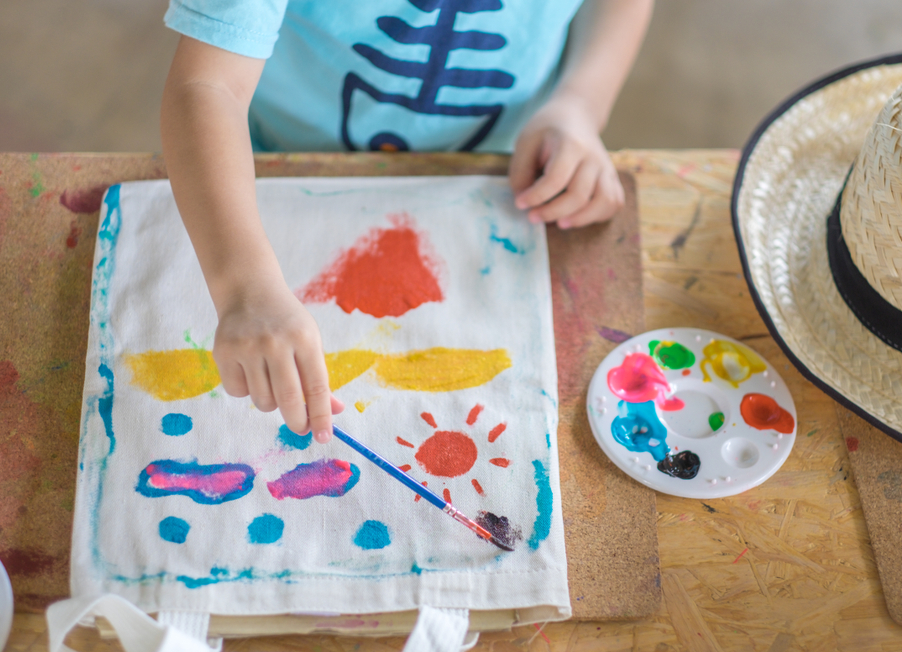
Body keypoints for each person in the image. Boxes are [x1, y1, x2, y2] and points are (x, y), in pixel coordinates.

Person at [159, 0, 653, 445]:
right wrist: (245, 288)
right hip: (278, 171)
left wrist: (579, 103)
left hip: (500, 178)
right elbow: (207, 84)